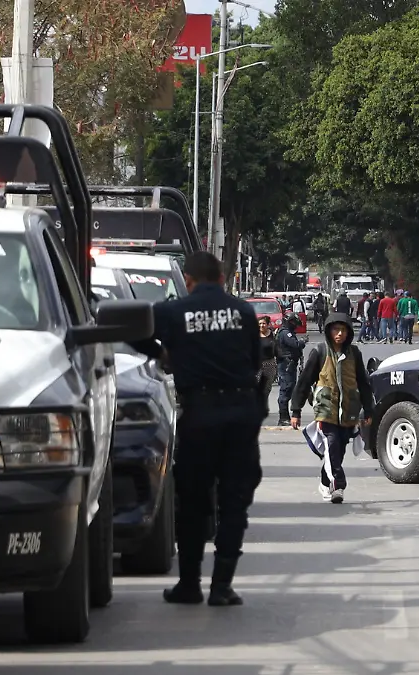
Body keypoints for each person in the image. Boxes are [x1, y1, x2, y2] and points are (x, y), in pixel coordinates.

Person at [128, 251, 262, 607]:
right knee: (234, 502)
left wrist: (161, 353)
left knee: (192, 501)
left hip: (200, 414)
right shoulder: (243, 312)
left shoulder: (174, 312)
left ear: (188, 281)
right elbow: (255, 360)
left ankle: (189, 585)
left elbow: (133, 330)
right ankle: (222, 586)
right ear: (221, 279)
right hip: (240, 413)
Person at [290, 312, 375, 504]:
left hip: (348, 411)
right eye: (336, 329)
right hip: (326, 409)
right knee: (332, 443)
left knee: (338, 449)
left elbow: (363, 383)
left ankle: (324, 482)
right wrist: (296, 410)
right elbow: (304, 382)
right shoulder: (319, 352)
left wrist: (368, 409)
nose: (340, 334)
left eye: (343, 330)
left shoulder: (354, 353)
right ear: (329, 331)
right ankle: (338, 486)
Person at [275, 312, 306, 426]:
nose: (295, 326)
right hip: (286, 365)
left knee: (290, 389)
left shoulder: (287, 332)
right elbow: (295, 344)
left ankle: (285, 417)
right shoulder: (285, 333)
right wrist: (302, 342)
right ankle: (283, 417)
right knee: (286, 389)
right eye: (295, 323)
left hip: (290, 365)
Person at [257, 316, 278, 401]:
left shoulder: (272, 335)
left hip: (270, 363)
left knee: (267, 387)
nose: (261, 325)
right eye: (260, 324)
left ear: (268, 324)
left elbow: (277, 349)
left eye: (264, 323)